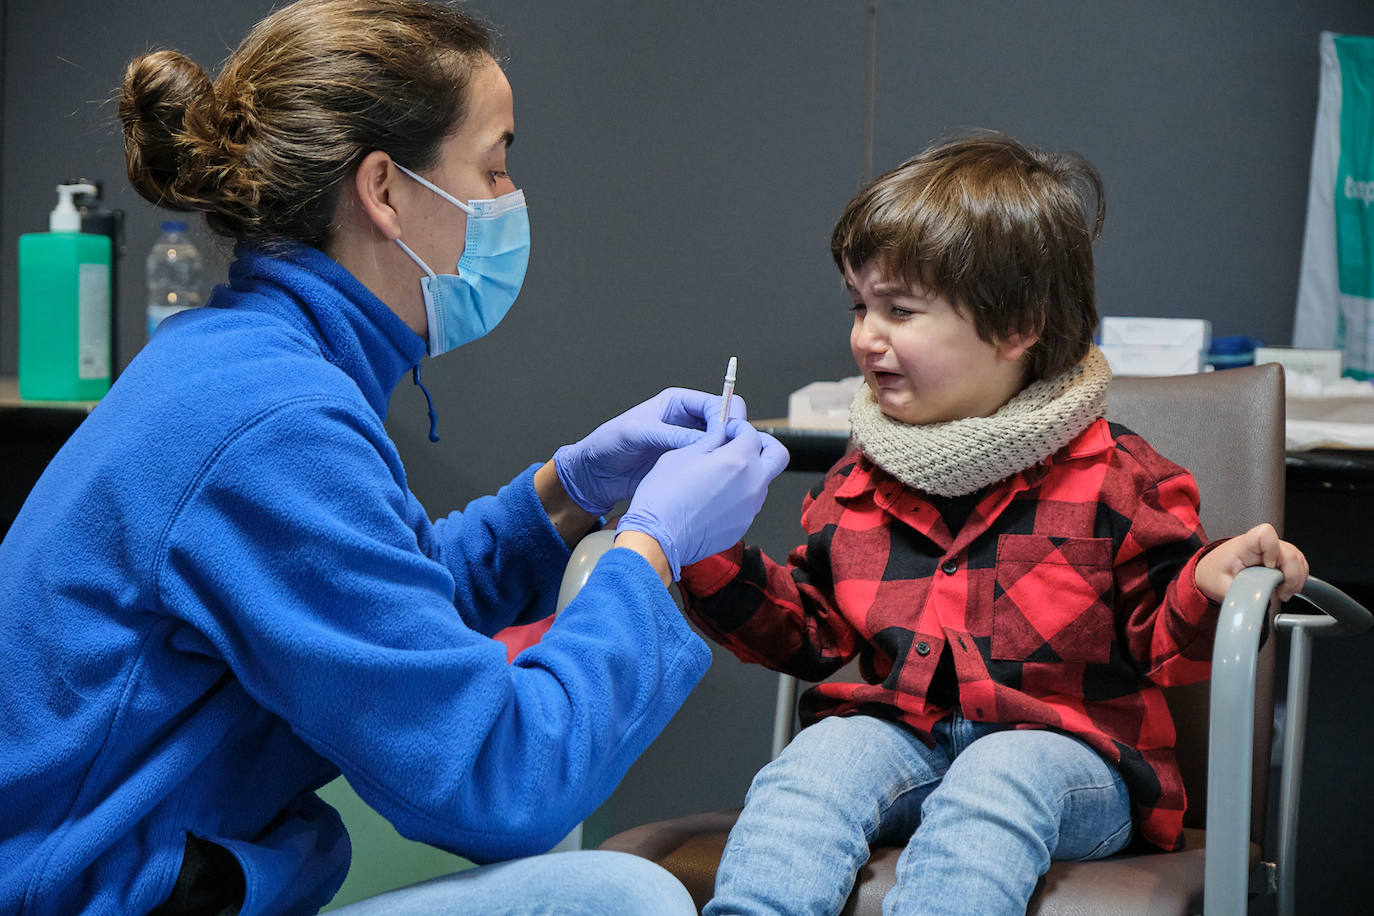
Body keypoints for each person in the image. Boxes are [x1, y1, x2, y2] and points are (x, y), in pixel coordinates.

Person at [0, 1, 789, 913]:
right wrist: (652, 549)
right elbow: (501, 784)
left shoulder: (240, 363)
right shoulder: (274, 423)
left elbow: (375, 610)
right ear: (383, 190)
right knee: (617, 898)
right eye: (493, 168)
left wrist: (571, 492)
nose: (509, 201)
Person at [675, 132, 1309, 915]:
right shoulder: (859, 479)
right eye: (860, 306)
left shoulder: (1116, 474)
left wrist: (1210, 586)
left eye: (899, 310)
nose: (866, 336)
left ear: (1017, 329)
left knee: (999, 772)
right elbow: (811, 634)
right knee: (817, 761)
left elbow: (1160, 632)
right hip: (904, 736)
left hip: (1072, 760)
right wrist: (704, 551)